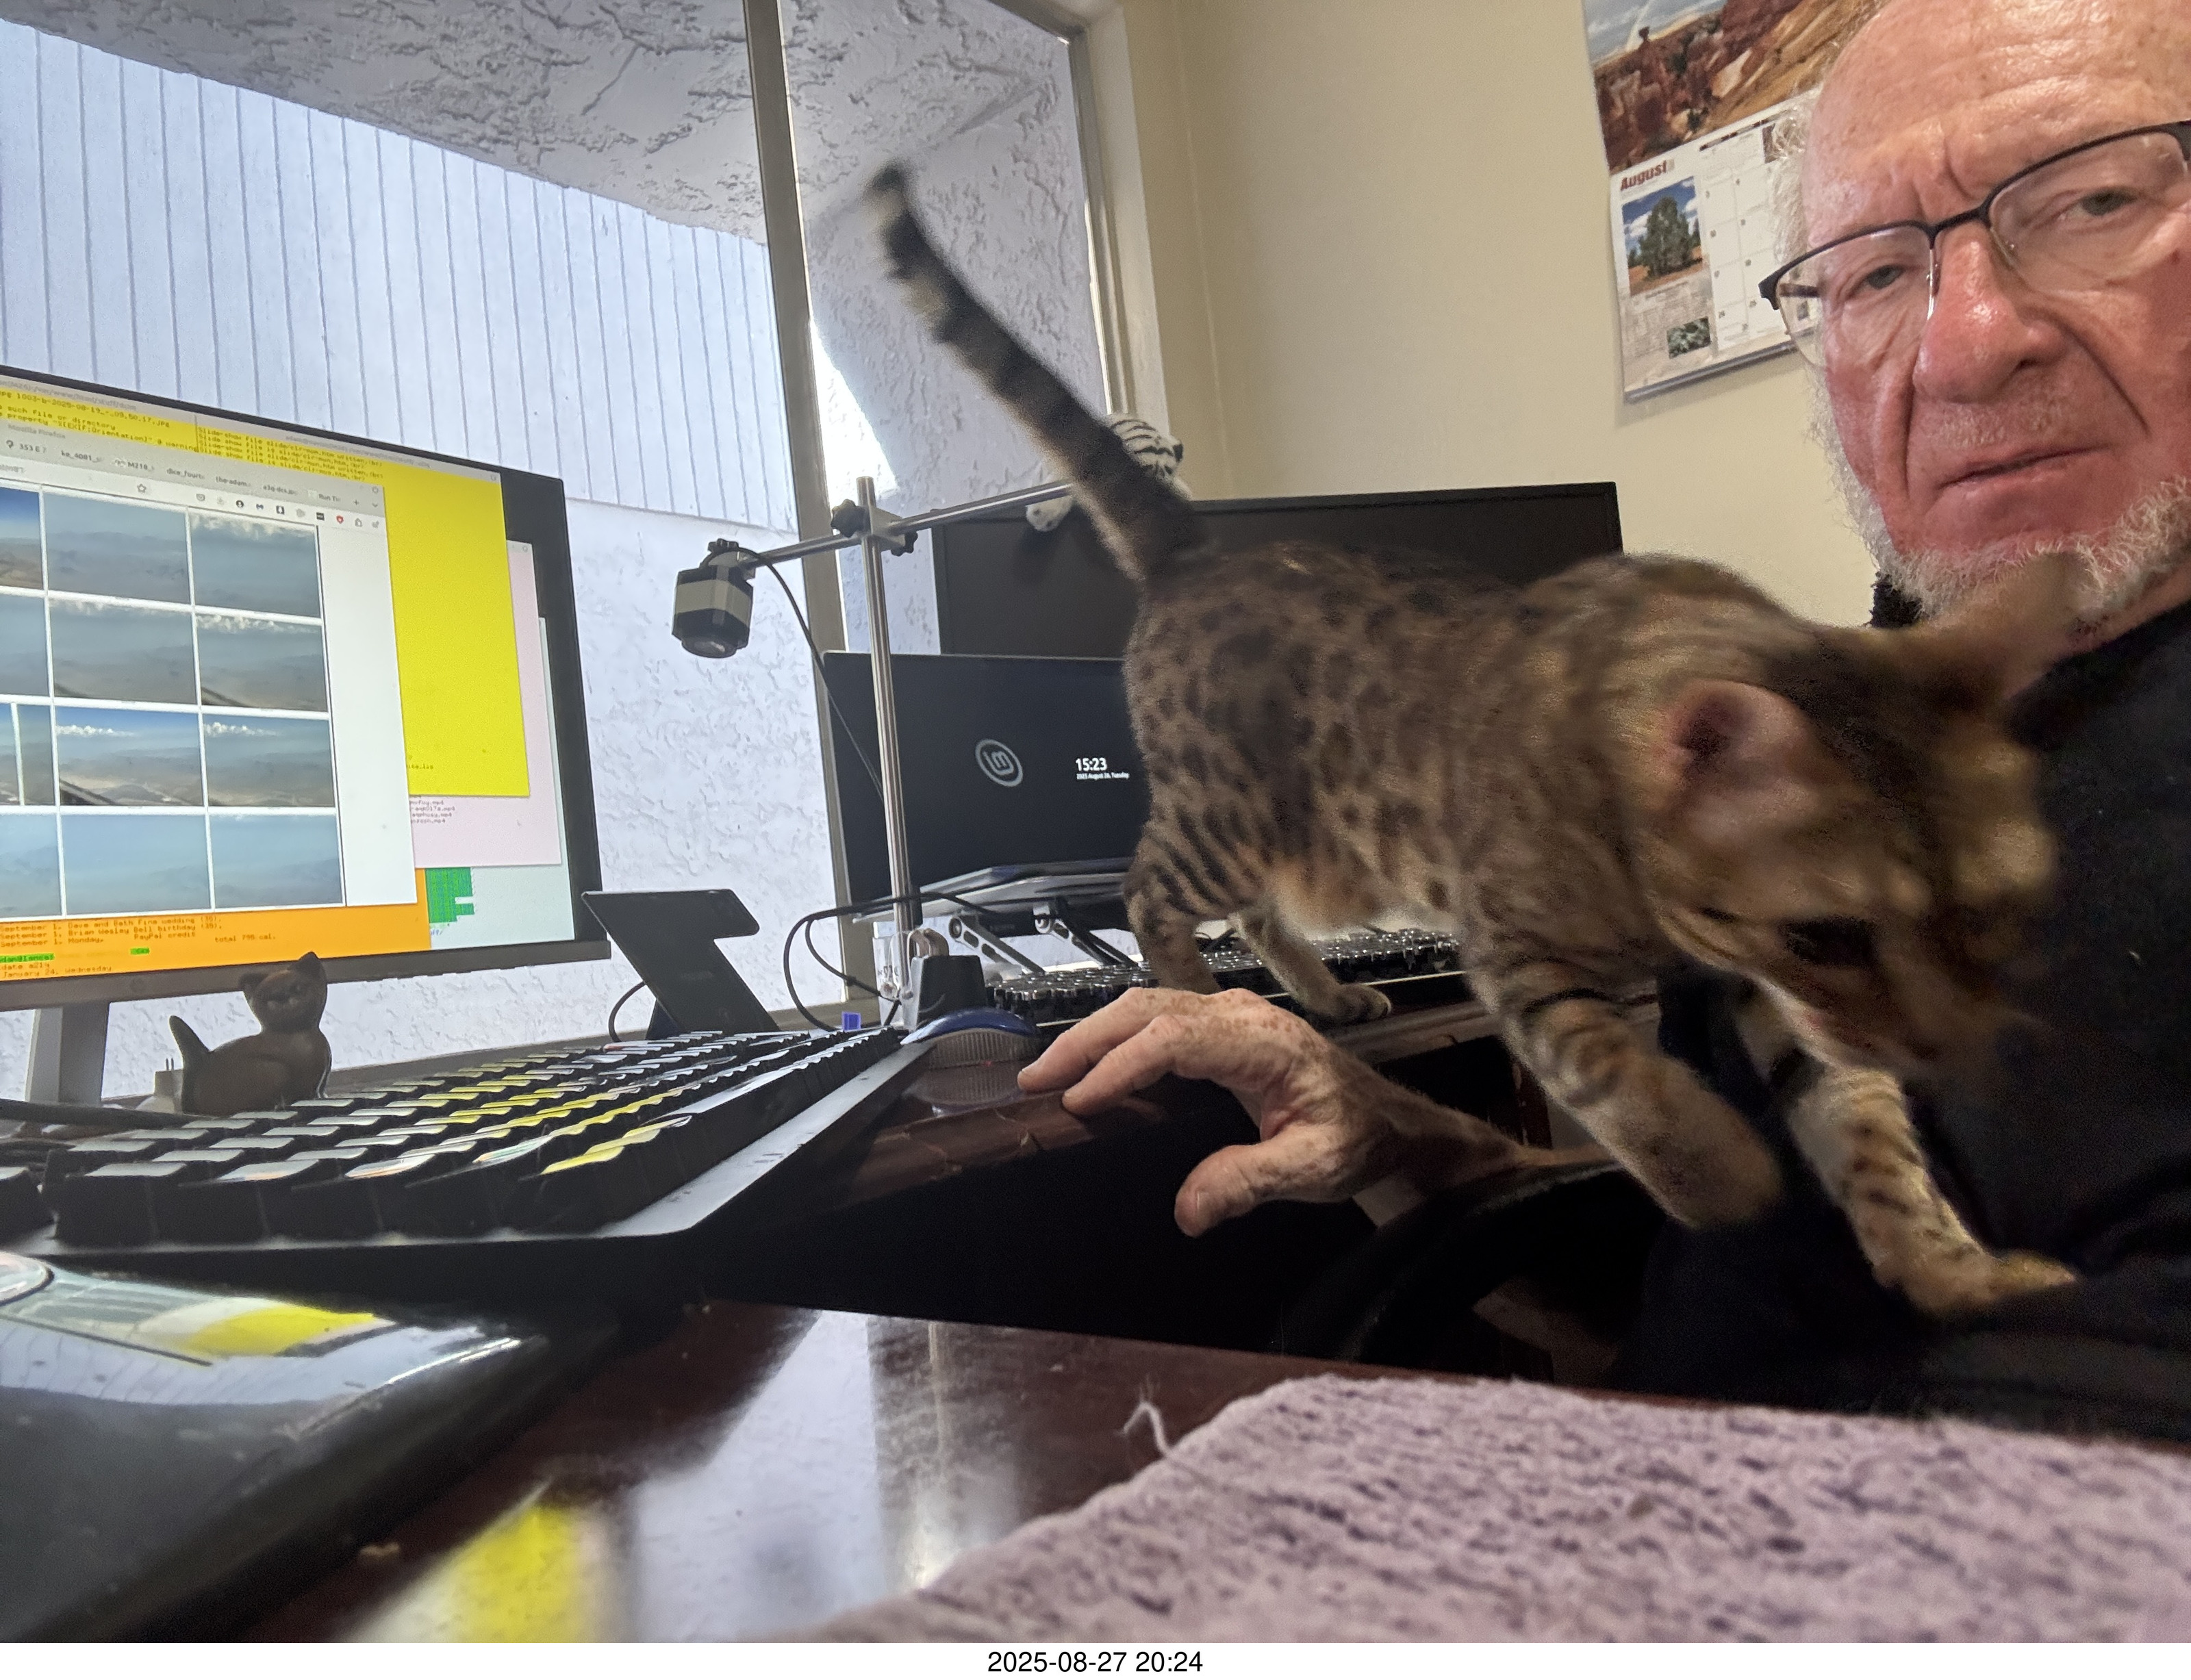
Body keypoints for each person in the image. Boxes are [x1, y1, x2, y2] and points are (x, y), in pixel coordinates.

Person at [1017, 0, 2191, 1403]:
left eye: (2091, 201)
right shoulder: (1806, 740)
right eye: (1876, 273)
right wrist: (1393, 1133)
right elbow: (1732, 1290)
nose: (1964, 343)